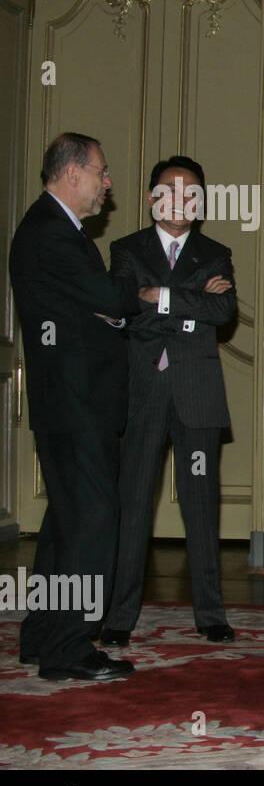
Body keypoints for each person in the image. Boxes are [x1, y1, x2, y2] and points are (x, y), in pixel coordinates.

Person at [10, 132, 137, 680]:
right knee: (91, 523)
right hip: (77, 402)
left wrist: (107, 310)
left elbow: (91, 309)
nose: (108, 184)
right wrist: (132, 295)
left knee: (66, 523)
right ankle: (70, 648)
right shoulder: (52, 232)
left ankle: (42, 635)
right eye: (102, 172)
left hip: (68, 402)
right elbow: (109, 300)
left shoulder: (51, 228)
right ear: (72, 174)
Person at [101, 156, 238, 647]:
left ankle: (211, 614)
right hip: (142, 392)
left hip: (197, 394)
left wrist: (158, 295)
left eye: (191, 193)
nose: (181, 201)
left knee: (202, 505)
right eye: (170, 191)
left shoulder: (215, 252)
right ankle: (119, 616)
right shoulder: (126, 248)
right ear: (152, 197)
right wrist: (186, 301)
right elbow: (123, 306)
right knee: (133, 502)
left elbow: (222, 311)